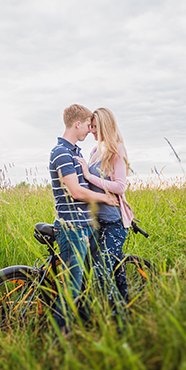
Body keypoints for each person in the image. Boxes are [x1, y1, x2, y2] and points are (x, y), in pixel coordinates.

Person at [49, 104, 119, 333]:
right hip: (74, 228)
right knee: (72, 289)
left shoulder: (76, 153)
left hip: (86, 226)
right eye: (88, 125)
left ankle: (86, 329)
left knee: (83, 284)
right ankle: (58, 342)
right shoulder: (60, 153)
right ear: (76, 124)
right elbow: (76, 192)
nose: (90, 130)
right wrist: (105, 198)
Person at [77, 107, 135, 321]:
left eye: (95, 127)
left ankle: (121, 323)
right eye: (90, 127)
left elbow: (120, 187)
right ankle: (125, 313)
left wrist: (88, 176)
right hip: (96, 222)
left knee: (101, 273)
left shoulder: (117, 149)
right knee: (117, 273)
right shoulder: (94, 151)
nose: (91, 131)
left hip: (114, 223)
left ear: (104, 125)